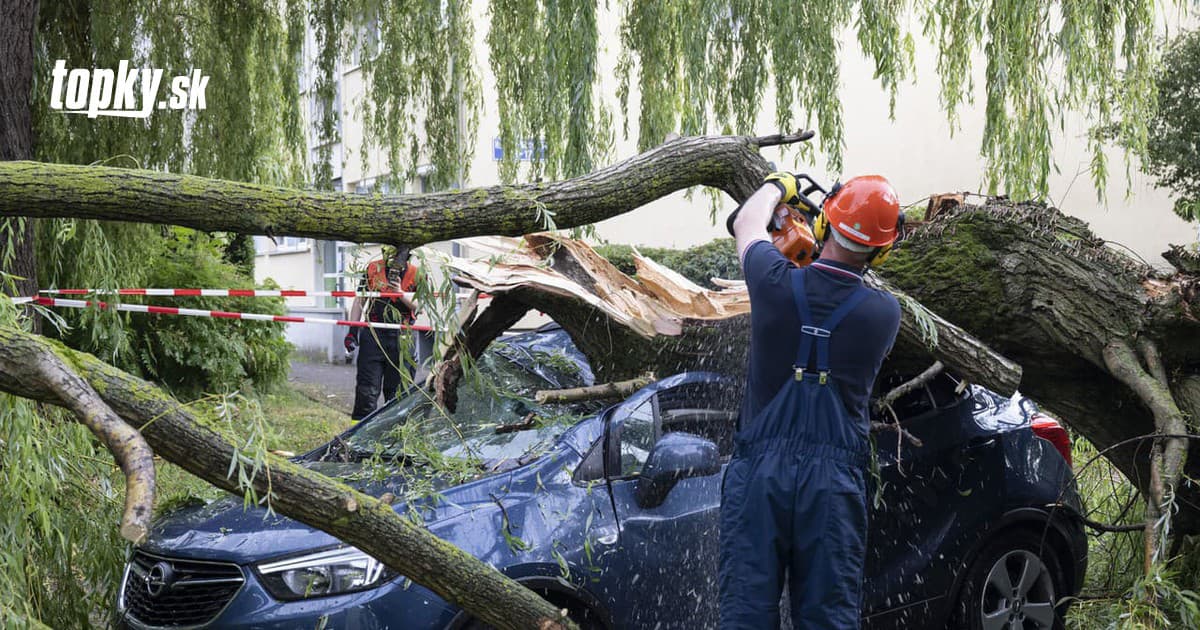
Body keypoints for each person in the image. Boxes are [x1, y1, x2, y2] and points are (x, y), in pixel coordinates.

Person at [720, 173, 903, 629]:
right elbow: (841, 295)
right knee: (828, 620)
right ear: (882, 250)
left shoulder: (773, 284)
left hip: (759, 483)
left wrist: (777, 186)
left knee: (746, 616)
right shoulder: (884, 315)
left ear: (823, 224)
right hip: (832, 488)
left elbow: (746, 223)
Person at [344, 246, 419, 421]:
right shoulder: (372, 268)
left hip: (402, 337)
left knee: (398, 395)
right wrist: (352, 331)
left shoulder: (417, 274)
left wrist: (401, 295)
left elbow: (421, 306)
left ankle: (396, 440)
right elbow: (360, 299)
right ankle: (357, 441)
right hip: (373, 335)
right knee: (366, 391)